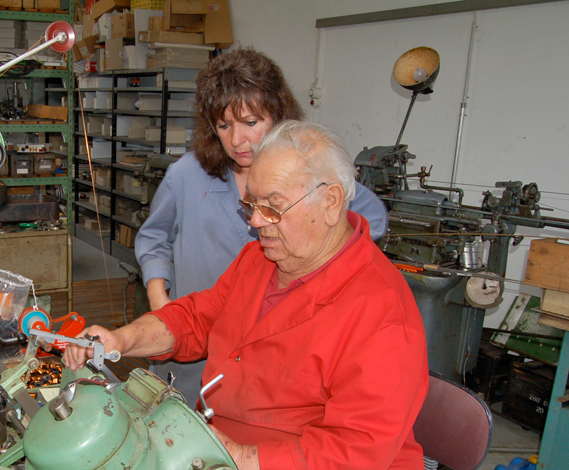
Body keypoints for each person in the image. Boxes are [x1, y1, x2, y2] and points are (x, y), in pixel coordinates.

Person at [67, 121, 427, 470]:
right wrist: (120, 339)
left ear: (331, 202)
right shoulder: (261, 260)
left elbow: (356, 450)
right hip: (234, 468)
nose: (255, 221)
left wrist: (241, 458)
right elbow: (196, 318)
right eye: (251, 204)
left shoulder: (381, 313)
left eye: (272, 207)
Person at [135, 49, 389, 407]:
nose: (238, 140)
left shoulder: (310, 176)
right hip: (190, 345)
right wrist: (160, 301)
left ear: (277, 117)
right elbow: (153, 237)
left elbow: (366, 219)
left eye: (251, 122)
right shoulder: (185, 176)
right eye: (224, 126)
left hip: (269, 357)